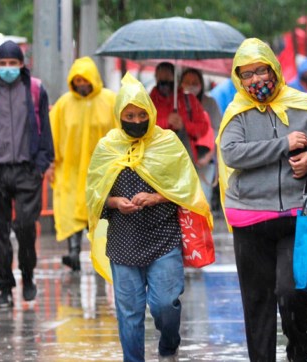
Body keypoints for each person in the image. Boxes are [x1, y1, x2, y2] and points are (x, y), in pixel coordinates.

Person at [217, 38, 307, 362]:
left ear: (274, 69)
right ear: (239, 78)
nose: (255, 80)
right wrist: (283, 144)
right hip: (249, 217)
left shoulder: (303, 105)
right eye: (246, 74)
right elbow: (231, 153)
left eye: (260, 71)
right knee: (257, 302)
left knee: (292, 292)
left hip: (296, 217)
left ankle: (298, 342)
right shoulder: (238, 112)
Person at [85, 73, 212, 362]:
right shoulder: (107, 147)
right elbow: (94, 194)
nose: (136, 119)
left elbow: (187, 188)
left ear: (151, 113)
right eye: (129, 114)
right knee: (129, 312)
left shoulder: (166, 143)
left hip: (163, 238)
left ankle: (169, 346)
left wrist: (156, 197)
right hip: (123, 241)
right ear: (120, 115)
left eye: (141, 114)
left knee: (165, 305)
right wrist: (116, 202)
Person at [0, 41, 54, 308]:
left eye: (12, 63)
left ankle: (28, 275)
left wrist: (41, 165)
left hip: (27, 169)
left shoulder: (36, 90)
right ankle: (4, 289)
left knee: (26, 226)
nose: (7, 68)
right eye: (2, 64)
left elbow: (45, 130)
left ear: (21, 65)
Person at [48, 56, 117, 272]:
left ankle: (101, 256)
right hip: (70, 170)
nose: (82, 85)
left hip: (103, 171)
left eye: (85, 80)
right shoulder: (63, 104)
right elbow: (53, 135)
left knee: (99, 214)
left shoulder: (110, 101)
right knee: (70, 212)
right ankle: (73, 252)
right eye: (77, 81)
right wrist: (50, 163)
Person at [149, 62, 210, 159]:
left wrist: (184, 125)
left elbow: (203, 127)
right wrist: (165, 122)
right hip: (156, 156)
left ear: (175, 79)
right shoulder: (149, 102)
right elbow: (145, 126)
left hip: (184, 155)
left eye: (168, 79)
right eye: (161, 81)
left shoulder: (189, 100)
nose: (165, 85)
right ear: (156, 78)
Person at [181, 68, 221, 205]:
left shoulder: (210, 103)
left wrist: (209, 155)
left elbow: (217, 130)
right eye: (187, 82)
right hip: (183, 161)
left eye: (194, 82)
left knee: (203, 202)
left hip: (205, 161)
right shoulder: (177, 103)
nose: (191, 85)